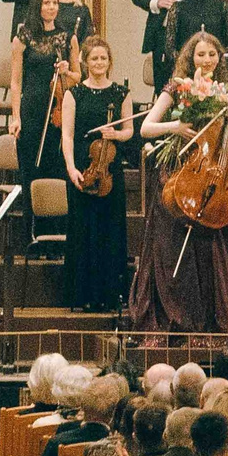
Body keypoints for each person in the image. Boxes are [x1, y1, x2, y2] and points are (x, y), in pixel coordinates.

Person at [128, 32, 228, 335]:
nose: (207, 60)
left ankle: (216, 317)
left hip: (214, 174)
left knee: (226, 234)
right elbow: (146, 128)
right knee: (174, 243)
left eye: (212, 54)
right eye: (200, 55)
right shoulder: (176, 87)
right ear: (189, 58)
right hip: (182, 171)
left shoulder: (223, 92)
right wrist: (177, 126)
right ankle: (183, 315)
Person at [59, 40, 134, 314]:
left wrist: (116, 134)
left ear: (109, 61)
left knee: (109, 231)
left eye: (103, 58)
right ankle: (83, 295)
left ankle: (109, 295)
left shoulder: (121, 93)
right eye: (94, 59)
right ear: (85, 62)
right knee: (83, 230)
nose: (99, 63)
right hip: (83, 168)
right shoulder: (74, 94)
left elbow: (129, 130)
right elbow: (66, 134)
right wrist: (71, 168)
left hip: (110, 171)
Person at [12, 0, 82, 186]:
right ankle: (31, 217)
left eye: (55, 3)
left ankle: (56, 218)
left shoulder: (68, 38)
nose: (52, 7)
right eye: (46, 3)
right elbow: (16, 82)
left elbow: (78, 78)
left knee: (56, 171)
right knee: (30, 173)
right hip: (32, 108)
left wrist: (66, 71)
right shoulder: (22, 38)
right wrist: (16, 117)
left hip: (58, 110)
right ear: (37, 6)